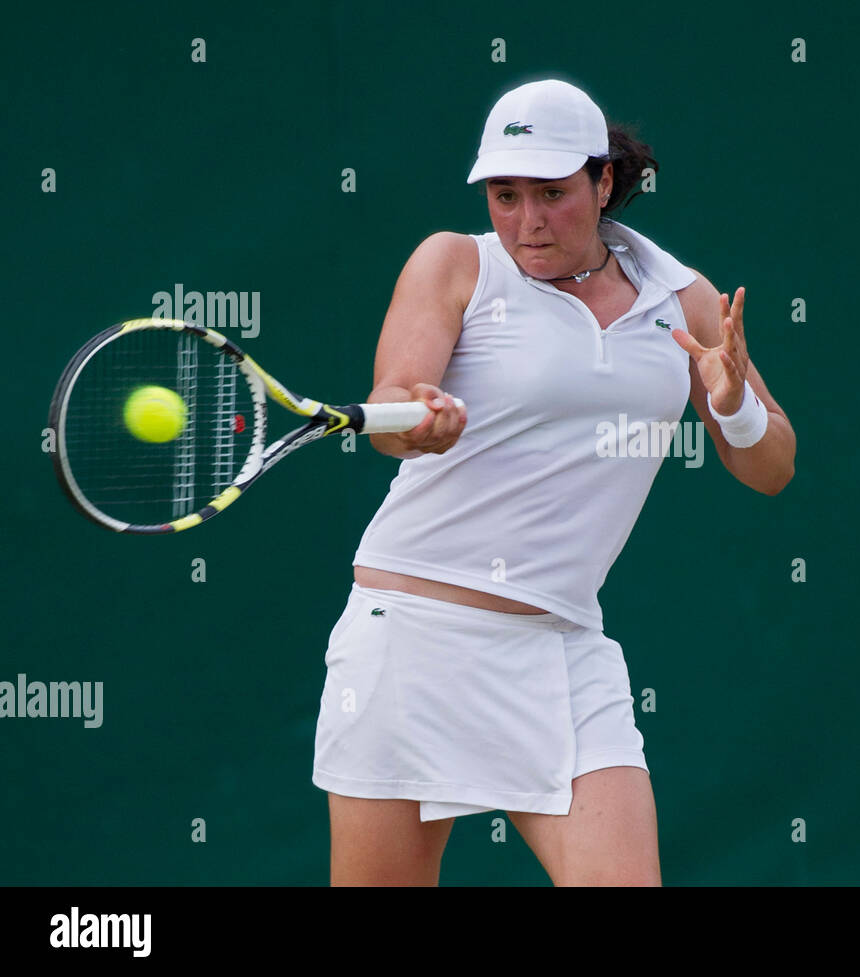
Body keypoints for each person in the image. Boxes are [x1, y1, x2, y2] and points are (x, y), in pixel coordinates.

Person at [312, 78, 796, 886]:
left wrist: (734, 402)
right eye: (506, 195)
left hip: (560, 647)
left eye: (552, 193)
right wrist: (415, 417)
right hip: (409, 640)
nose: (528, 221)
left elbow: (772, 468)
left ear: (604, 182)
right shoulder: (455, 264)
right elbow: (397, 392)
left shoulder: (686, 299)